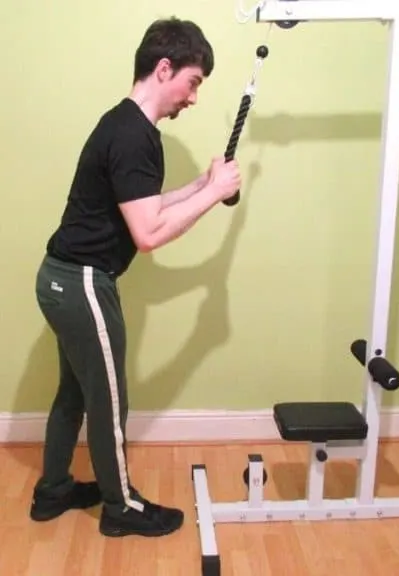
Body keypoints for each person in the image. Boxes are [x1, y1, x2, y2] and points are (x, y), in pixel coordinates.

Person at [29, 17, 242, 538]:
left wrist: (199, 185)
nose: (193, 98)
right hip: (81, 283)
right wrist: (216, 195)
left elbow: (142, 207)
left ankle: (53, 492)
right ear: (164, 68)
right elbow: (147, 235)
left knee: (74, 395)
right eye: (193, 82)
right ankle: (121, 508)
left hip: (60, 279)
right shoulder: (133, 135)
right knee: (109, 400)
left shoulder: (124, 126)